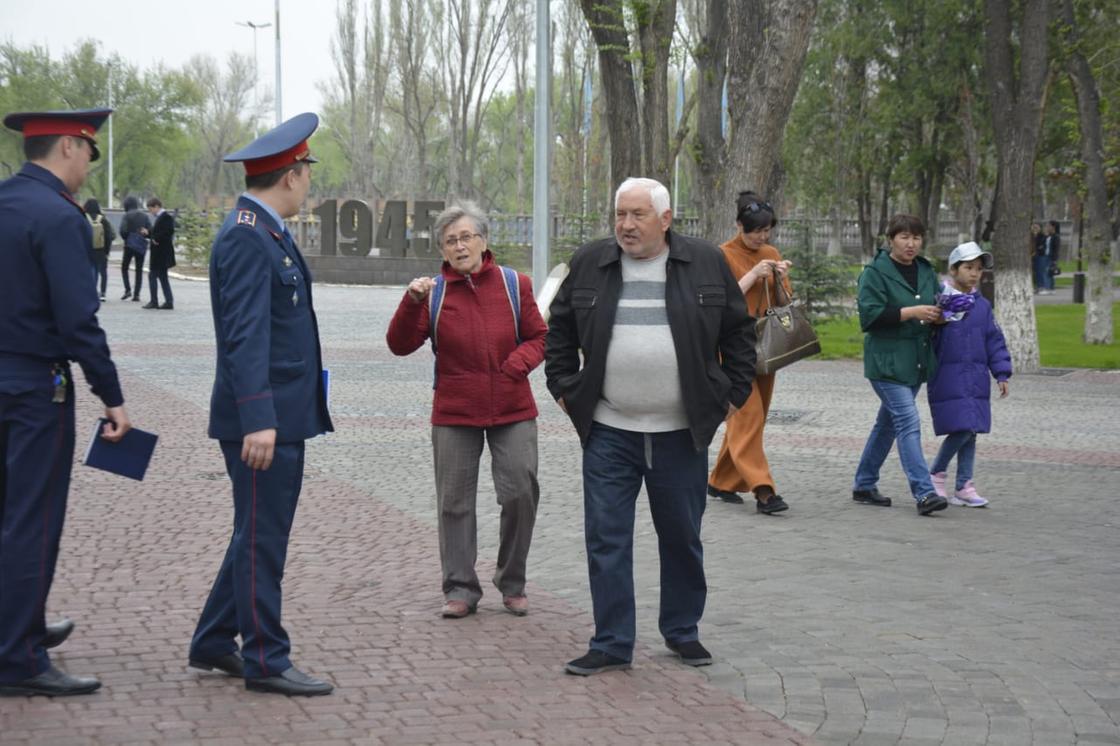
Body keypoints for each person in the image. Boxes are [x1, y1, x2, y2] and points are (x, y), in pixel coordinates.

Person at [545, 177, 756, 676]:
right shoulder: (591, 262)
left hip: (681, 432)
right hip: (609, 429)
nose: (626, 225)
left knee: (681, 534)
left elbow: (739, 333)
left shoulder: (705, 262)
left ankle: (682, 630)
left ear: (665, 219)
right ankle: (612, 641)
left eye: (638, 215)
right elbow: (559, 328)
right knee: (606, 537)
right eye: (620, 214)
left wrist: (731, 396)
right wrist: (562, 385)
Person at [187, 113, 334, 697]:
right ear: (293, 175)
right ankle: (267, 660)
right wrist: (259, 420)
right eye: (307, 174)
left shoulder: (258, 228)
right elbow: (246, 335)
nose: (308, 185)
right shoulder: (249, 236)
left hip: (277, 412)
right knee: (261, 540)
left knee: (254, 532)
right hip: (264, 420)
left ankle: (214, 640)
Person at [0, 108, 133, 696]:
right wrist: (113, 396)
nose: (86, 168)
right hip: (36, 388)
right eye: (88, 155)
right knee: (33, 521)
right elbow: (79, 321)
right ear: (69, 150)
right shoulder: (59, 217)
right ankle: (21, 659)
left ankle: (16, 626)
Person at [386, 201, 547, 619]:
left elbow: (539, 338)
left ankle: (512, 581)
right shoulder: (433, 294)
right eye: (449, 241)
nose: (459, 247)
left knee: (520, 493)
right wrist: (410, 302)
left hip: (512, 406)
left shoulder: (515, 284)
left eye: (465, 237)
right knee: (454, 502)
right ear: (442, 250)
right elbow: (399, 345)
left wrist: (516, 365)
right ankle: (460, 587)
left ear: (483, 240)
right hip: (455, 410)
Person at [851, 214, 947, 516]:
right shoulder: (874, 273)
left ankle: (864, 484)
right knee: (908, 421)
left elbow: (937, 303)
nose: (911, 243)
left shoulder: (925, 270)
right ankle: (924, 492)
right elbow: (870, 317)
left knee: (887, 425)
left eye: (916, 238)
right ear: (891, 238)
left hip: (916, 362)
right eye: (904, 237)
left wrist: (940, 315)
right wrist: (911, 311)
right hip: (887, 363)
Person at [706, 191, 793, 514]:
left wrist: (781, 278)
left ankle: (721, 481)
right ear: (739, 226)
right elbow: (721, 302)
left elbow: (784, 303)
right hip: (732, 346)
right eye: (755, 230)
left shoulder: (770, 251)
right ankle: (764, 490)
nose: (762, 236)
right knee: (748, 414)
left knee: (753, 419)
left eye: (767, 229)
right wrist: (752, 276)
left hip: (766, 344)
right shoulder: (722, 255)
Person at [927, 242, 1012, 507]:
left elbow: (994, 340)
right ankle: (936, 474)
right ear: (954, 269)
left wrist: (1001, 372)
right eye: (968, 267)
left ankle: (964, 484)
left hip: (975, 376)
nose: (974, 273)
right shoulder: (940, 300)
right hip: (947, 374)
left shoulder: (982, 306)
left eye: (978, 269)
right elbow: (926, 334)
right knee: (962, 427)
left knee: (971, 429)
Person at [143, 197, 175, 310]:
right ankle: (169, 301)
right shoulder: (160, 217)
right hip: (159, 253)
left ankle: (154, 301)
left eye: (151, 209)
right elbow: (157, 232)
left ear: (156, 206)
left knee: (153, 276)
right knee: (162, 277)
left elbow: (168, 231)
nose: (150, 212)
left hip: (162, 254)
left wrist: (156, 238)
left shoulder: (166, 217)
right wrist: (148, 234)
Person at [118, 195, 150, 301]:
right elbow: (149, 229)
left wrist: (127, 239)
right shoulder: (144, 216)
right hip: (141, 245)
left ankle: (127, 290)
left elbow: (122, 230)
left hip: (129, 245)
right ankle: (137, 294)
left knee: (124, 267)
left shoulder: (127, 215)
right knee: (139, 269)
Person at [83, 198, 115, 302]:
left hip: (88, 250)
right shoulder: (103, 219)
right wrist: (107, 251)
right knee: (102, 272)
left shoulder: (83, 218)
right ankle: (103, 293)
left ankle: (92, 291)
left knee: (91, 270)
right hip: (101, 250)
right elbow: (109, 237)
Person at [1039, 220, 1061, 295]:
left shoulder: (1056, 236)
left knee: (1047, 272)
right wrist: (1046, 235)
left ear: (1053, 227)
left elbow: (1056, 249)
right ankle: (1051, 288)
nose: (1047, 227)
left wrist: (1055, 259)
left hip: (1051, 257)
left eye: (1048, 226)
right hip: (1046, 255)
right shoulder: (1048, 236)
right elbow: (1043, 244)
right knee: (1050, 272)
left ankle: (1047, 288)